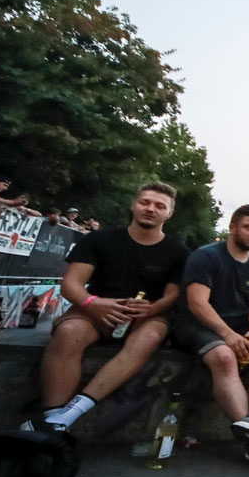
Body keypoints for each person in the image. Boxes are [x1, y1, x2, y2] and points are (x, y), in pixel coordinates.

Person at [21, 183, 190, 433]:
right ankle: (53, 416)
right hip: (95, 309)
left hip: (146, 316)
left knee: (150, 337)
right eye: (145, 202)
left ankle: (71, 413)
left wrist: (152, 309)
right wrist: (93, 303)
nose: (150, 209)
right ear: (133, 204)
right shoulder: (99, 239)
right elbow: (71, 284)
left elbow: (173, 295)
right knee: (68, 333)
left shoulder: (179, 252)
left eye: (159, 206)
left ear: (169, 214)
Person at [171, 204, 249, 464]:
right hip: (195, 322)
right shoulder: (206, 256)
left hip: (238, 321)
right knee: (224, 357)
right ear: (232, 228)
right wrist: (228, 335)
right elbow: (197, 304)